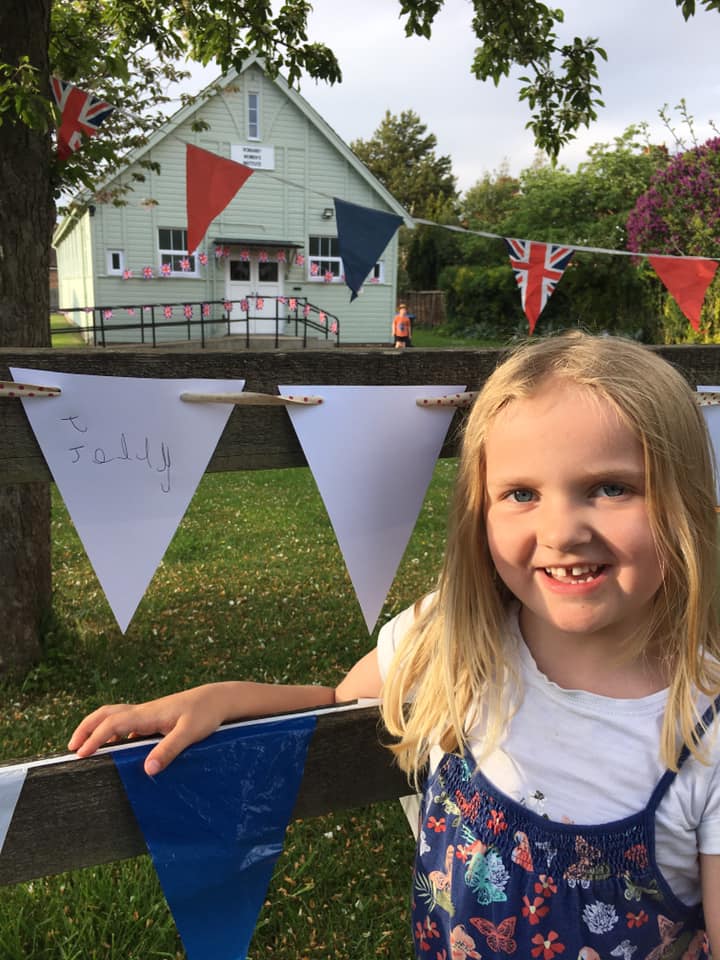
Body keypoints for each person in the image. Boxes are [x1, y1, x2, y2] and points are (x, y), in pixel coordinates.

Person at [69, 331, 720, 957]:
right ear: (479, 513)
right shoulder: (451, 635)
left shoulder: (706, 730)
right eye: (521, 493)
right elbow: (337, 698)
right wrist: (220, 699)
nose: (561, 530)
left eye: (611, 487)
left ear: (688, 502)